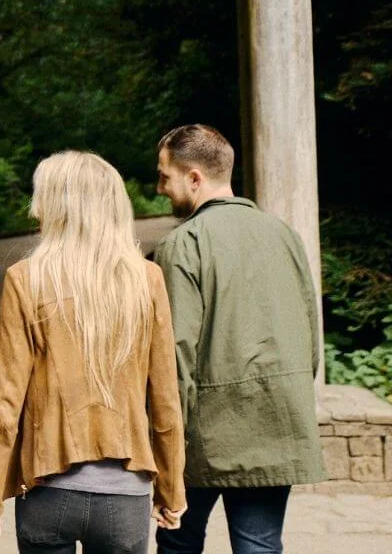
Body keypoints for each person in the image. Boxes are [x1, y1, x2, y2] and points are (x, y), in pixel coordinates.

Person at [0, 151, 186, 554]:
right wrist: (172, 490)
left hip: (47, 490)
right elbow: (165, 402)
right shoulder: (147, 279)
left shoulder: (26, 278)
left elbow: (4, 405)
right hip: (126, 494)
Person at [153, 125, 325, 554]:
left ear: (194, 178)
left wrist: (164, 443)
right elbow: (310, 334)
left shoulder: (183, 243)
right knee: (260, 545)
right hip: (277, 419)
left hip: (204, 434)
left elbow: (176, 353)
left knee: (178, 540)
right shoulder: (283, 234)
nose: (160, 189)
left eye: (164, 176)